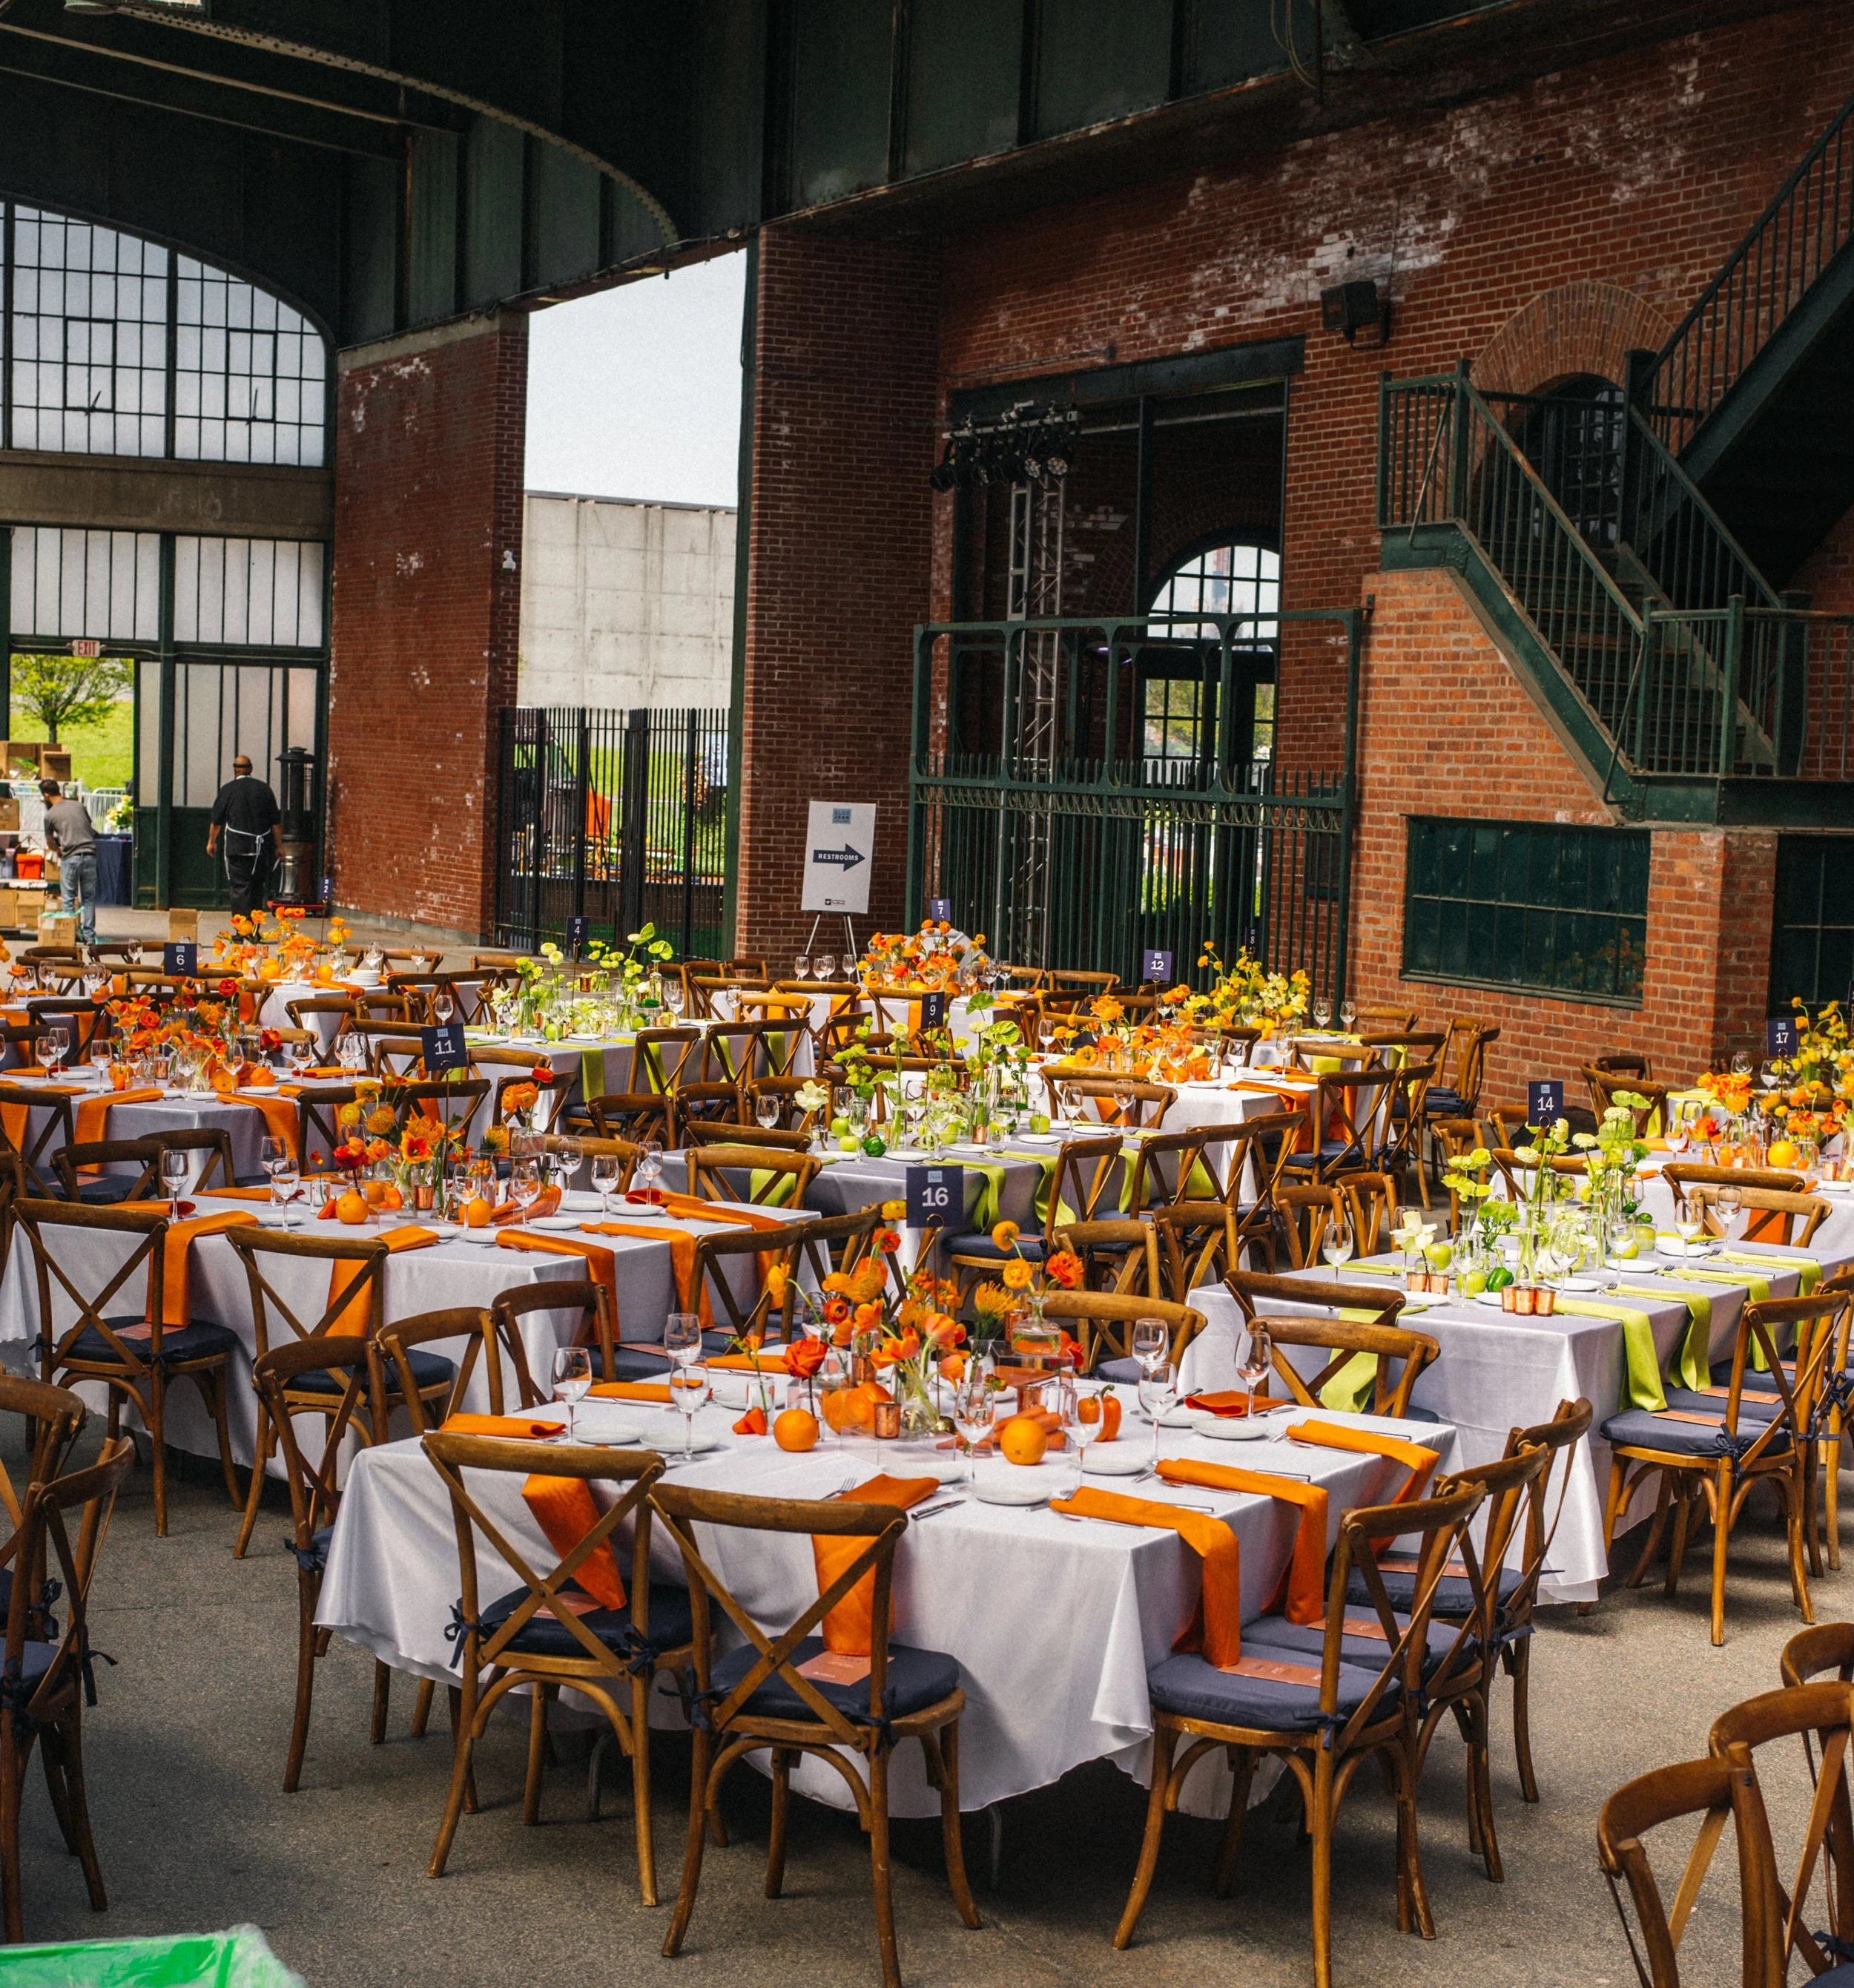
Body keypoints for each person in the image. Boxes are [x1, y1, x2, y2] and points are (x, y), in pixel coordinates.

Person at [207, 753, 281, 918]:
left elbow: (217, 820)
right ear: (251, 769)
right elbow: (275, 823)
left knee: (239, 888)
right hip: (260, 849)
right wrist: (279, 846)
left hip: (237, 848)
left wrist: (211, 842)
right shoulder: (264, 789)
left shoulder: (227, 790)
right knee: (257, 888)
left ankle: (241, 931)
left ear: (235, 770)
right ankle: (254, 931)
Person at [40, 779, 98, 946]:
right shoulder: (78, 805)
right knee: (88, 899)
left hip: (70, 857)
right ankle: (89, 937)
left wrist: (58, 849)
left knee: (68, 898)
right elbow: (88, 825)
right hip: (90, 855)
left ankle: (69, 936)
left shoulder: (50, 815)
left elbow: (50, 843)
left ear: (46, 795)